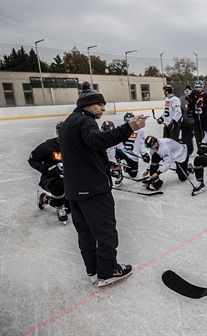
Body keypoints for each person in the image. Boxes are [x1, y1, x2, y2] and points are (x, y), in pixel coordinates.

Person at [58, 81, 146, 287]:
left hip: (74, 189)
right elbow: (97, 141)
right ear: (87, 105)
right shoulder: (86, 122)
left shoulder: (70, 122)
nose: (103, 108)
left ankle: (93, 270)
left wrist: (106, 165)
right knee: (106, 233)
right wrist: (128, 128)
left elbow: (84, 152)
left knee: (85, 233)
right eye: (99, 104)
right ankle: (108, 271)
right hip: (93, 190)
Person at [28, 120, 70, 223]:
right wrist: (45, 169)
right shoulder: (47, 146)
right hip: (51, 178)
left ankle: (46, 199)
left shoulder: (76, 145)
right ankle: (60, 208)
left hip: (70, 177)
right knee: (58, 185)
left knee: (70, 207)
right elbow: (32, 159)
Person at [115, 112, 149, 178]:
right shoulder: (121, 128)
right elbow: (117, 142)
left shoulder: (140, 130)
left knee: (133, 174)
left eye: (129, 121)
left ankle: (126, 167)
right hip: (122, 151)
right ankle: (118, 171)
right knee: (114, 155)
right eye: (126, 121)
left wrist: (144, 154)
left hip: (133, 155)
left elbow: (141, 143)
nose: (128, 123)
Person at [188, 80, 207, 152]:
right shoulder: (192, 96)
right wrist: (192, 100)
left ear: (203, 87)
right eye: (196, 87)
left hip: (206, 120)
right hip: (196, 121)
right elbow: (190, 108)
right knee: (198, 137)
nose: (198, 89)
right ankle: (201, 151)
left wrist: (200, 103)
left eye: (200, 87)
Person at [101, 120, 124, 186]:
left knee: (114, 172)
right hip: (103, 158)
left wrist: (115, 161)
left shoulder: (116, 138)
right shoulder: (98, 137)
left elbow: (119, 149)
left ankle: (119, 174)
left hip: (112, 157)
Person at [180, 84, 195, 156]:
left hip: (196, 122)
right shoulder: (181, 100)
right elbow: (179, 112)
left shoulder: (196, 98)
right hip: (186, 122)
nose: (187, 92)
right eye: (185, 91)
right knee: (186, 137)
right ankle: (188, 150)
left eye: (189, 91)